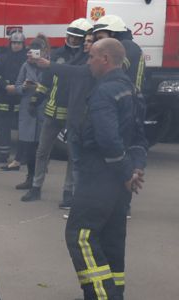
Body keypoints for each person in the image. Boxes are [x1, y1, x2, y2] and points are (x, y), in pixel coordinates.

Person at [64, 38, 147, 300]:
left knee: (80, 236)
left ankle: (102, 295)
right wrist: (135, 169)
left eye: (91, 57)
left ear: (105, 59)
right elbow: (140, 138)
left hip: (99, 176)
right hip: (121, 180)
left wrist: (125, 172)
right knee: (111, 239)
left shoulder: (104, 92)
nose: (88, 62)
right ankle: (114, 292)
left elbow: (108, 139)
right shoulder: (133, 90)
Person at [22, 19, 93, 204]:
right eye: (70, 36)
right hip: (52, 112)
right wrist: (35, 100)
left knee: (72, 155)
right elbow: (46, 81)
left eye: (77, 38)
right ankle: (35, 187)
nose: (73, 40)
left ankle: (68, 192)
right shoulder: (57, 54)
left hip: (73, 114)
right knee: (42, 152)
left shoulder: (87, 58)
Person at [93, 15, 144, 219]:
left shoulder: (127, 47)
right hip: (130, 100)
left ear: (113, 33)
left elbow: (114, 67)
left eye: (101, 36)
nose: (98, 40)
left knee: (121, 149)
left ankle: (122, 205)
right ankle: (121, 205)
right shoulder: (131, 45)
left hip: (126, 102)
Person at [9, 35, 49, 194]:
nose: (34, 55)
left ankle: (37, 182)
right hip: (28, 109)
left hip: (43, 108)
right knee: (29, 148)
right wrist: (24, 87)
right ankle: (30, 178)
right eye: (32, 52)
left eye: (37, 52)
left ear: (43, 52)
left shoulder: (49, 65)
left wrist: (39, 86)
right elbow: (17, 86)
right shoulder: (25, 66)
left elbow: (55, 87)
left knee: (41, 148)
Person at [0, 31, 28, 165]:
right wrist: (5, 86)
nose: (16, 45)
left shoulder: (27, 60)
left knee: (23, 130)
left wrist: (19, 88)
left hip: (20, 99)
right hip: (3, 98)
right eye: (14, 43)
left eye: (19, 43)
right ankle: (2, 155)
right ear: (10, 44)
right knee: (2, 128)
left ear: (23, 45)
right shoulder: (2, 58)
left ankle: (22, 156)